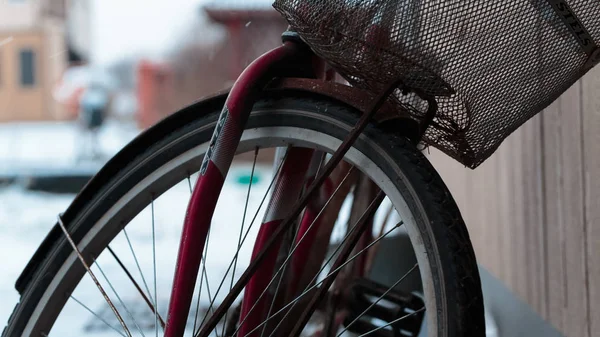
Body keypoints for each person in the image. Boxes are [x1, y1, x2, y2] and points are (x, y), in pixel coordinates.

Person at [77, 82, 111, 161]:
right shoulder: (93, 97)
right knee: (90, 138)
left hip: (93, 122)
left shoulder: (93, 97)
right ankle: (87, 152)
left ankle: (93, 152)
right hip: (91, 121)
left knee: (93, 138)